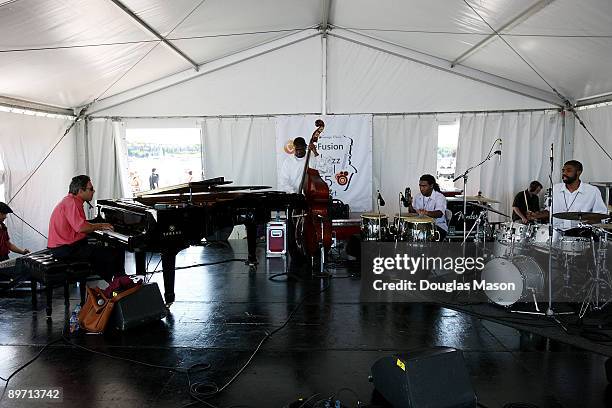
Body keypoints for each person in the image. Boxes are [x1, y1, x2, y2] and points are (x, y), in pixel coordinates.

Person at [47, 175, 125, 282]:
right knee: (114, 253)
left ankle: (114, 284)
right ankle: (120, 285)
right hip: (65, 250)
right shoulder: (72, 203)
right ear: (80, 191)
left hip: (65, 247)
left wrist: (95, 226)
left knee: (99, 253)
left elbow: (80, 225)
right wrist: (101, 225)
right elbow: (81, 227)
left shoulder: (70, 200)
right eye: (91, 189)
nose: (93, 191)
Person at [543, 160, 607, 237]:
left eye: (568, 170)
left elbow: (600, 215)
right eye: (563, 170)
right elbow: (548, 210)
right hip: (555, 234)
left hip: (581, 235)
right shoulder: (554, 188)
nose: (564, 173)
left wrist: (586, 223)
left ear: (578, 172)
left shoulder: (592, 191)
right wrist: (535, 215)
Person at [407, 174, 448, 241]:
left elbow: (439, 213)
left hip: (438, 226)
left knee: (422, 237)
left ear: (431, 186)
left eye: (424, 186)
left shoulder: (440, 197)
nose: (421, 189)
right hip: (422, 226)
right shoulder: (418, 196)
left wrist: (425, 212)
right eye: (420, 186)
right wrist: (409, 204)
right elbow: (413, 213)